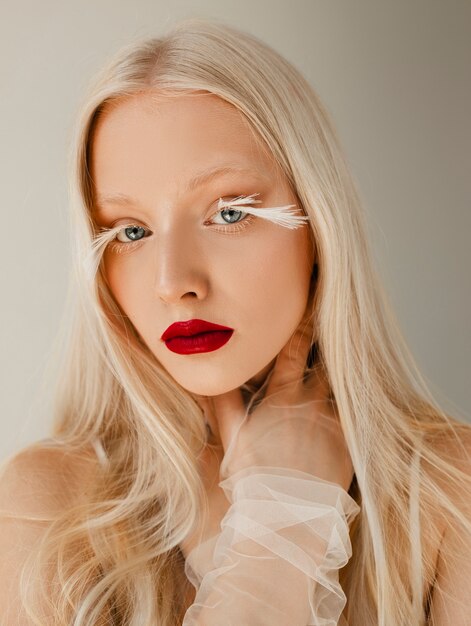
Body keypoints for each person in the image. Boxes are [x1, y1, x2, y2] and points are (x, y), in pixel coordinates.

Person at [0, 16, 470, 626]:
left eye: (228, 213)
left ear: (320, 223)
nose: (174, 282)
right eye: (132, 231)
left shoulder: (450, 494)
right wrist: (283, 528)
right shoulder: (49, 506)